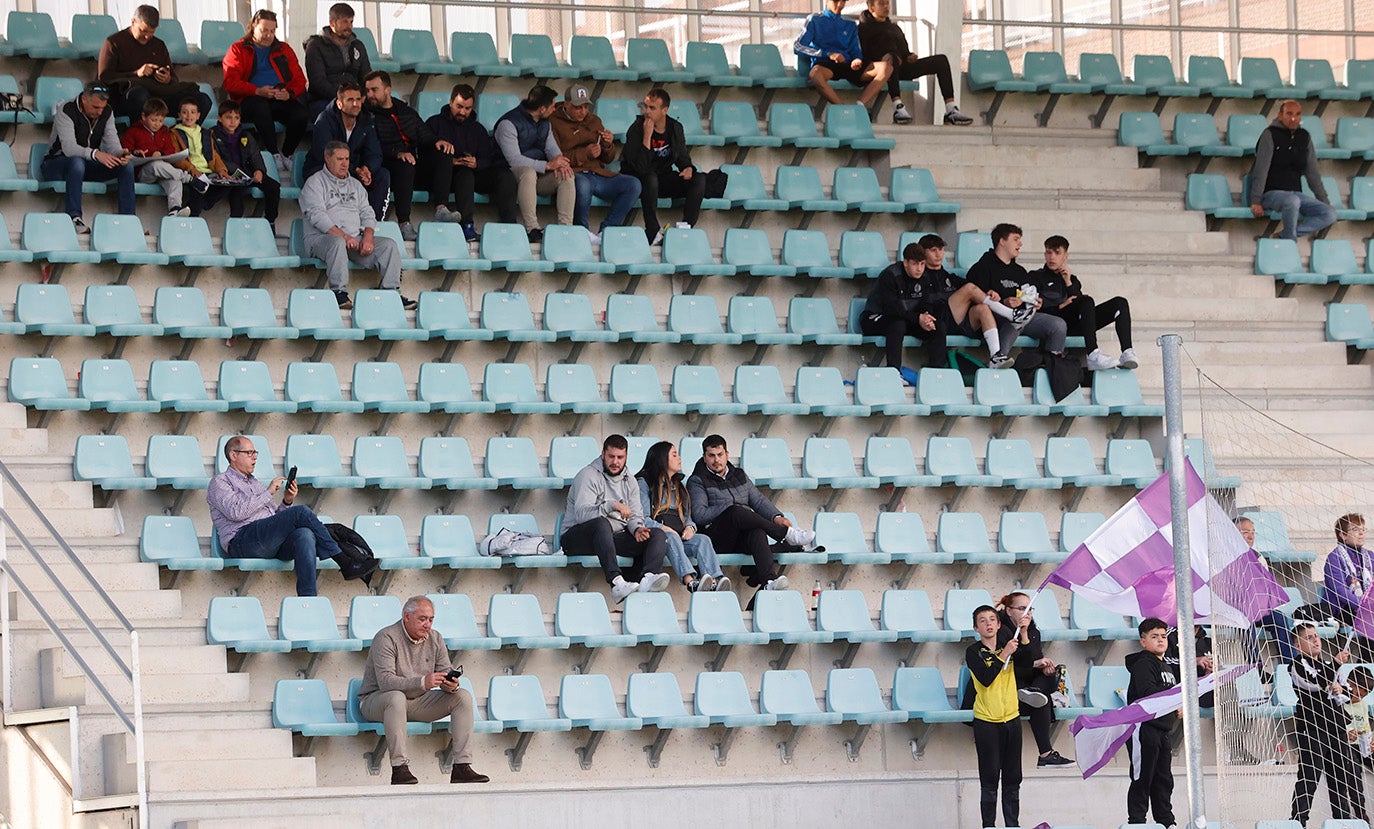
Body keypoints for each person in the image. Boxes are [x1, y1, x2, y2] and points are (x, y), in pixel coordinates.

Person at [356, 596, 489, 786]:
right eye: (422, 619)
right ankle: (399, 768)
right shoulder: (386, 637)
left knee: (462, 696)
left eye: (431, 619)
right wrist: (423, 682)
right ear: (406, 617)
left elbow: (444, 671)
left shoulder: (435, 638)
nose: (427, 624)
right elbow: (385, 682)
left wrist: (450, 684)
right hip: (376, 701)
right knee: (395, 697)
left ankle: (461, 767)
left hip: (416, 701)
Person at [207, 435, 345, 597]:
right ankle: (341, 557)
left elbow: (275, 517)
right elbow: (236, 513)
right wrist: (269, 492)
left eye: (255, 453)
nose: (255, 457)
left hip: (267, 541)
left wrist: (287, 501)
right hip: (242, 541)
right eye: (249, 453)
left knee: (304, 534)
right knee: (300, 512)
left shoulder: (254, 482)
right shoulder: (220, 482)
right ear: (233, 455)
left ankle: (308, 598)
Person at [686, 434, 816, 594]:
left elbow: (758, 501)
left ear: (727, 454)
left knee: (757, 531)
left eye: (720, 455)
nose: (716, 460)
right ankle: (787, 535)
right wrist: (728, 506)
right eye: (711, 456)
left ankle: (769, 581)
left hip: (740, 536)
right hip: (717, 539)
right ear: (704, 457)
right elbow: (699, 514)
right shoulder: (697, 480)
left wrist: (777, 517)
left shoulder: (739, 474)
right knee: (735, 511)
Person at [859, 240, 1005, 381]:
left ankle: (937, 373)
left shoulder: (923, 277)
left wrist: (926, 316)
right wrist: (918, 318)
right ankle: (894, 371)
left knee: (938, 326)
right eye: (915, 264)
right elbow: (892, 309)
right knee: (897, 324)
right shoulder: (890, 275)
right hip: (877, 318)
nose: (919, 268)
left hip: (907, 318)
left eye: (922, 264)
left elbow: (925, 303)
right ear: (905, 263)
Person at [560, 434, 671, 604]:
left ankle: (647, 578)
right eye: (611, 456)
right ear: (603, 454)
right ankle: (616, 583)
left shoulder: (630, 480)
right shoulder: (588, 475)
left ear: (626, 457)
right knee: (601, 523)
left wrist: (637, 529)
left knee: (657, 535)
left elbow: (635, 514)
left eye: (620, 457)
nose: (615, 462)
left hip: (610, 538)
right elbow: (582, 515)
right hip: (575, 537)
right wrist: (611, 505)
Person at [300, 141, 410, 311]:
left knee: (389, 245)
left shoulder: (356, 185)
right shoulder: (314, 183)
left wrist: (367, 237)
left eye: (347, 159)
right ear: (327, 158)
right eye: (339, 159)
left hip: (353, 239)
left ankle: (391, 293)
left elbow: (367, 213)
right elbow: (317, 217)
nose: (345, 164)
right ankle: (339, 293)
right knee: (337, 243)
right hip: (321, 240)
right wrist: (344, 237)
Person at [363, 70, 456, 240]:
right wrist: (397, 153)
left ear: (387, 90)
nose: (370, 95)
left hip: (413, 163)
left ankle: (441, 208)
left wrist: (437, 141)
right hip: (389, 164)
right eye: (367, 90)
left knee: (443, 154)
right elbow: (371, 146)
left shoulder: (405, 111)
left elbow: (423, 133)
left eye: (374, 90)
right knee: (405, 165)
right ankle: (404, 223)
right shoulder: (367, 115)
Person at [423, 84, 520, 243]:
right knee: (465, 174)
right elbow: (425, 152)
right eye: (459, 107)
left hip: (473, 173)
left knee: (504, 175)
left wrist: (477, 163)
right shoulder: (435, 123)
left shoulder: (478, 129)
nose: (463, 112)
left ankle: (510, 225)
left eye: (467, 108)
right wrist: (450, 162)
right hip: (444, 176)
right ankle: (467, 225)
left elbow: (488, 158)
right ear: (450, 102)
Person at [1289, 622, 1363, 824]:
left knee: (1340, 780)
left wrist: (1341, 689)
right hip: (1313, 729)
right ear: (1297, 645)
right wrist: (1336, 665)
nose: (1315, 640)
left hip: (1336, 728)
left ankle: (1342, 821)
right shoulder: (1295, 666)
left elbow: (1348, 692)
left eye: (1317, 636)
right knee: (1309, 779)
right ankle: (1298, 821)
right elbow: (1314, 684)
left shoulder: (1327, 665)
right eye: (1309, 637)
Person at [1027, 235, 1137, 371]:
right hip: (1053, 324)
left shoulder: (1073, 279)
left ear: (1065, 256)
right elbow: (1034, 311)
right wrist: (1060, 306)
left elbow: (1080, 304)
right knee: (1087, 300)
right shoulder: (1035, 276)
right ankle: (1093, 354)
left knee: (1120, 302)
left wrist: (1068, 282)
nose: (1052, 257)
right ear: (1045, 254)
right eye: (1049, 253)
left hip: (1075, 324)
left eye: (1057, 253)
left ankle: (1127, 352)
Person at [549, 83, 640, 245]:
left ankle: (607, 231)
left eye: (585, 107)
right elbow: (555, 155)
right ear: (567, 104)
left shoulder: (594, 120)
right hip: (574, 172)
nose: (583, 111)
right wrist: (586, 153)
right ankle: (581, 231)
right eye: (578, 107)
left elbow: (608, 159)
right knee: (583, 185)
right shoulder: (553, 121)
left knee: (633, 184)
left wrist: (607, 145)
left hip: (598, 174)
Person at [634, 441, 731, 594]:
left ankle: (715, 581)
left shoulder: (679, 486)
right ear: (662, 459)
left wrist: (690, 528)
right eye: (674, 454)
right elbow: (641, 518)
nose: (679, 458)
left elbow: (688, 517)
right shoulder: (644, 483)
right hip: (657, 539)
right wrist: (664, 528)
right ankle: (690, 581)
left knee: (702, 540)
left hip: (679, 537)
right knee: (671, 537)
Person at [965, 222, 1068, 364]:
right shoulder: (982, 267)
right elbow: (974, 300)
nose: (1020, 244)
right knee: (1016, 321)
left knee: (1058, 325)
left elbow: (1025, 296)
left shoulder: (1019, 271)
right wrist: (1003, 303)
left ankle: (1054, 368)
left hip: (1022, 316)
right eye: (1016, 239)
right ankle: (998, 359)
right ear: (1002, 241)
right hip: (997, 320)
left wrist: (1033, 302)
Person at [221, 8, 309, 174]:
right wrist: (256, 91)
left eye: (272, 31)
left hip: (278, 98)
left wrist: (288, 93)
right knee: (260, 106)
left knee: (301, 114)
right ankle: (273, 153)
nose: (269, 35)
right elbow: (230, 83)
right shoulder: (238, 49)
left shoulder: (284, 49)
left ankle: (287, 153)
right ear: (253, 26)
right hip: (249, 100)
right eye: (264, 30)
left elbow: (300, 80)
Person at [857, 0, 972, 125]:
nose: (886, 7)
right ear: (871, 7)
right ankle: (898, 107)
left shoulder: (894, 28)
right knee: (892, 58)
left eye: (887, 3)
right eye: (881, 4)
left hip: (901, 68)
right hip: (883, 69)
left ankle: (951, 109)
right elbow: (865, 54)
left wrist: (909, 56)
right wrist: (890, 57)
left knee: (941, 60)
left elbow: (904, 52)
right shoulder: (863, 28)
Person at [995, 592, 1075, 768]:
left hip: (1029, 689)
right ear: (1009, 611)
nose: (1027, 613)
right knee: (1041, 701)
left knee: (1047, 682)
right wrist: (1035, 662)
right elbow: (1007, 666)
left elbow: (1033, 659)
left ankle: (1035, 692)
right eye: (1022, 608)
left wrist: (1043, 666)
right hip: (1011, 689)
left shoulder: (1033, 632)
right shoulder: (1001, 632)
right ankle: (1046, 754)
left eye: (1030, 609)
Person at [41, 82, 135, 232]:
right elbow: (69, 148)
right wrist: (96, 154)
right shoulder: (66, 109)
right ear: (84, 99)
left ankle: (129, 221)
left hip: (86, 165)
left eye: (102, 108)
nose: (99, 112)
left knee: (126, 166)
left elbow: (112, 142)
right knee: (77, 163)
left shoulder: (107, 112)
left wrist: (120, 153)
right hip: (56, 164)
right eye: (96, 107)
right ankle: (74, 218)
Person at [97, 4, 211, 123]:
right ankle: (141, 137)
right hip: (128, 98)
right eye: (143, 31)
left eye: (151, 32)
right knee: (138, 95)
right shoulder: (114, 42)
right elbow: (104, 77)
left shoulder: (158, 45)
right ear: (133, 22)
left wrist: (167, 78)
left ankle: (184, 136)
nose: (147, 36)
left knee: (202, 100)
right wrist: (136, 73)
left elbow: (173, 78)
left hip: (159, 96)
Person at [621, 87, 705, 245]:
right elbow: (640, 168)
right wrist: (647, 137)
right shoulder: (636, 129)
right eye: (645, 106)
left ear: (664, 110)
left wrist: (687, 168)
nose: (647, 111)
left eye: (652, 108)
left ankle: (685, 228)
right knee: (650, 178)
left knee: (698, 179)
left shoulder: (675, 128)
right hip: (640, 179)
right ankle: (652, 231)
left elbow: (681, 156)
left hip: (663, 177)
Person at [494, 85, 575, 242]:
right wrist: (547, 166)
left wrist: (561, 162)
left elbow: (553, 149)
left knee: (566, 175)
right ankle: (532, 228)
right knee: (528, 172)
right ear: (542, 108)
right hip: (509, 176)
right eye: (552, 106)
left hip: (537, 178)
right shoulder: (508, 123)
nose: (554, 109)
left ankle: (566, 229)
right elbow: (514, 160)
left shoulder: (545, 123)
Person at [966, 604, 1022, 828]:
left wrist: (1024, 631)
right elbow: (986, 677)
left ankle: (1013, 824)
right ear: (976, 628)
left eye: (992, 619)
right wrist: (1004, 654)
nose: (988, 623)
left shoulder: (1009, 646)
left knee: (1013, 778)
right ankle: (988, 825)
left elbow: (1028, 661)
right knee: (989, 779)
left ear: (999, 624)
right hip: (986, 722)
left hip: (1012, 719)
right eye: (982, 621)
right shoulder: (973, 652)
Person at [1249, 99, 1337, 241]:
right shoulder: (1269, 134)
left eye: (1297, 114)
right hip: (1271, 193)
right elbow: (1261, 169)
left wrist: (1324, 201)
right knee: (1292, 201)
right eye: (1289, 114)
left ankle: (1285, 235)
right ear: (1280, 115)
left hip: (1295, 193)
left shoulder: (1304, 137)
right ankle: (1290, 242)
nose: (1293, 118)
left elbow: (1313, 174)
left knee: (1329, 214)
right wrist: (1256, 200)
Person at [304, 81, 389, 221]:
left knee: (382, 174)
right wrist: (356, 170)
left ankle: (375, 222)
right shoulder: (324, 120)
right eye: (350, 100)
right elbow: (327, 156)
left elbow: (375, 153)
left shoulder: (366, 120)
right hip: (324, 169)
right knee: (337, 174)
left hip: (354, 171)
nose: (355, 104)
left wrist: (367, 169)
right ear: (339, 104)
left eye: (357, 99)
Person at [1125, 618, 1177, 828]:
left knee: (1163, 779)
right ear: (1143, 641)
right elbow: (1147, 693)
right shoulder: (1143, 663)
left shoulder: (1166, 666)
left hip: (1162, 730)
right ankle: (1137, 822)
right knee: (1142, 778)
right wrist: (1174, 699)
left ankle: (1166, 821)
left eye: (1163, 636)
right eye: (1154, 636)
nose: (1160, 640)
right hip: (1143, 729)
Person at [793, 0, 893, 111]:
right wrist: (827, 54)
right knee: (815, 74)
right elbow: (798, 46)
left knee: (886, 67)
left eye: (843, 1)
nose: (840, 5)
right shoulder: (814, 19)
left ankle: (859, 106)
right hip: (826, 65)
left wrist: (857, 59)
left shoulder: (850, 23)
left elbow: (856, 49)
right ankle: (842, 109)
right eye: (836, 1)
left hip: (849, 65)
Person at [211, 100, 282, 234]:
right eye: (228, 117)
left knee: (273, 187)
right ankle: (236, 228)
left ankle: (270, 221)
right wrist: (240, 173)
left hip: (249, 173)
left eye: (236, 118)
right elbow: (219, 159)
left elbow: (255, 155)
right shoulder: (213, 135)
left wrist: (259, 170)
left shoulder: (246, 135)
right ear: (219, 118)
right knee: (237, 192)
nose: (233, 121)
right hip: (231, 174)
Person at [1234, 516, 1298, 666]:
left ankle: (1291, 666)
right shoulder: (1224, 557)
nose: (1250, 536)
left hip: (1256, 607)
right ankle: (1256, 666)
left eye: (1253, 532)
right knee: (1245, 622)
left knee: (1279, 619)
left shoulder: (1258, 557)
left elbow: (1266, 586)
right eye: (1245, 532)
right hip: (1235, 609)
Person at [121, 97, 194, 217]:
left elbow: (171, 150)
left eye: (161, 121)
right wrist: (136, 152)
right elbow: (124, 150)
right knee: (156, 165)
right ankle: (188, 178)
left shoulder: (165, 132)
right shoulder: (133, 131)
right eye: (154, 120)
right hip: (142, 173)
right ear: (144, 117)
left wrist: (161, 154)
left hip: (164, 172)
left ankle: (175, 209)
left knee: (175, 181)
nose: (157, 124)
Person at [304, 2, 372, 117]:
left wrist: (362, 95)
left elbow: (366, 76)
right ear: (332, 23)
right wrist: (344, 98)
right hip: (324, 99)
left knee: (381, 110)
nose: (349, 26)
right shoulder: (316, 45)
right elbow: (318, 83)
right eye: (344, 21)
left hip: (355, 98)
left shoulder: (357, 45)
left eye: (351, 22)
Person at [170, 99, 234, 217]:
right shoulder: (174, 133)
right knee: (198, 187)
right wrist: (191, 169)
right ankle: (193, 215)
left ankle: (199, 205)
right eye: (185, 112)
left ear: (198, 115)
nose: (189, 116)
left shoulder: (205, 133)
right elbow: (176, 156)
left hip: (208, 171)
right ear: (179, 115)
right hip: (190, 171)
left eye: (193, 112)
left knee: (228, 183)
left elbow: (214, 154)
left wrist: (221, 170)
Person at [1323, 512, 1373, 626]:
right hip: (1343, 610)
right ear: (1343, 535)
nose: (1361, 533)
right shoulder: (1334, 558)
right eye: (1355, 529)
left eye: (1363, 529)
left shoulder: (1370, 556)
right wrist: (1364, 606)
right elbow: (1340, 591)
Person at [1343, 665, 1373, 765]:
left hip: (1362, 746)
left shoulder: (1363, 705)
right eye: (1358, 694)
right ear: (1348, 683)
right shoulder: (1338, 702)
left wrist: (1371, 741)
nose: (1359, 699)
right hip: (1345, 745)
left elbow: (1366, 728)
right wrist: (1347, 735)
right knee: (1353, 765)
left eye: (1363, 696)